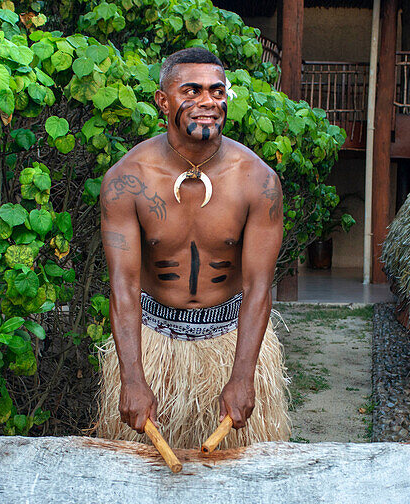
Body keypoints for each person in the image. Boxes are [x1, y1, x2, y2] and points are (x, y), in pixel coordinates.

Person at [95, 47, 290, 449]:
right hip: (153, 350)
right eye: (192, 90)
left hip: (230, 344)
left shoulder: (258, 180)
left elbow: (258, 287)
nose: (208, 102)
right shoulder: (127, 179)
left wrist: (242, 376)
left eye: (217, 91)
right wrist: (133, 379)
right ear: (163, 101)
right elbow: (124, 287)